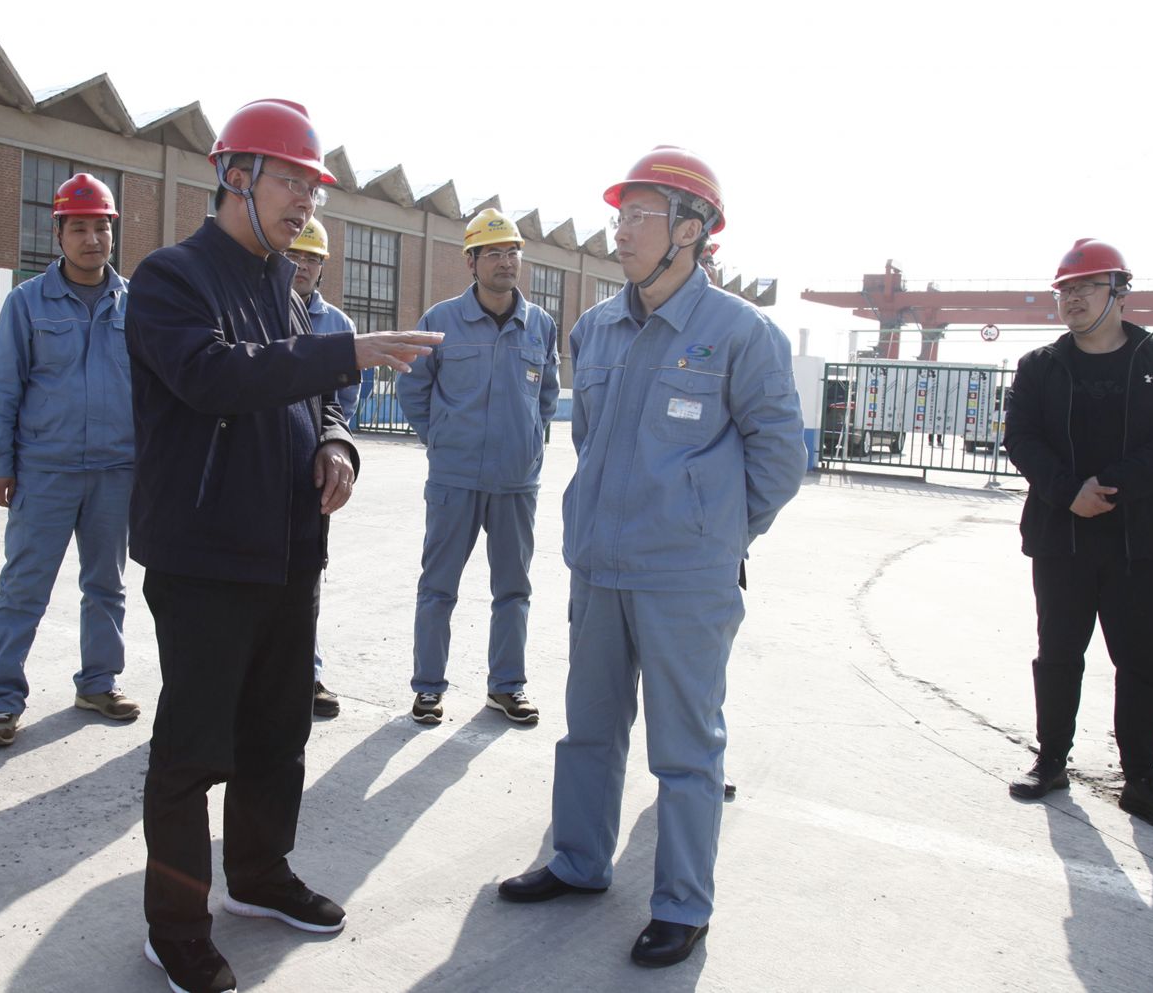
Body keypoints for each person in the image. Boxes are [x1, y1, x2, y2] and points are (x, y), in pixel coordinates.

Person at [127, 98, 440, 993]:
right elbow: (214, 377)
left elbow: (312, 397)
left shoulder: (281, 288)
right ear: (237, 175)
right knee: (193, 750)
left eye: (314, 188)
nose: (307, 202)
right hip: (205, 557)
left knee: (277, 732)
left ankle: (259, 875)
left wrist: (337, 442)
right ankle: (175, 926)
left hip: (289, 550)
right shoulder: (171, 278)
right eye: (292, 182)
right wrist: (348, 352)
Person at [498, 146, 806, 969]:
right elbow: (594, 442)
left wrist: (715, 535)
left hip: (685, 580)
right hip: (600, 568)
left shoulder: (741, 333)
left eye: (640, 215)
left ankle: (681, 905)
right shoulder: (595, 328)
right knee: (589, 730)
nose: (621, 230)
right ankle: (578, 860)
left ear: (691, 229)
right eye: (620, 213)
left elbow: (780, 458)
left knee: (685, 748)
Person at [1003, 238, 1153, 832]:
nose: (1073, 298)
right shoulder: (1040, 366)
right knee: (1058, 653)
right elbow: (1021, 437)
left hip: (1142, 538)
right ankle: (1051, 761)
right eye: (1065, 289)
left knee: (1143, 663)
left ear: (1120, 292)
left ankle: (1141, 782)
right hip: (1062, 534)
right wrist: (1069, 492)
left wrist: (1111, 487)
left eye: (1087, 286)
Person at [0, 172, 140, 746]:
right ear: (58, 233)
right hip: (45, 470)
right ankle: (3, 701)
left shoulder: (136, 304)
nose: (92, 239)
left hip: (115, 470)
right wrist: (0, 462)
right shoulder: (26, 303)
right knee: (23, 587)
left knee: (107, 586)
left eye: (102, 228)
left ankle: (98, 683)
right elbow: (4, 388)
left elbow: (152, 390)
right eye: (79, 228)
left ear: (113, 232)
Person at [395, 208, 560, 726]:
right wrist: (443, 442)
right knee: (438, 587)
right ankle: (428, 688)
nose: (506, 261)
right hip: (455, 480)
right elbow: (413, 389)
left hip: (516, 482)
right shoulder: (440, 322)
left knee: (513, 590)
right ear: (471, 261)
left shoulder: (540, 325)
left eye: (512, 252)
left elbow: (546, 398)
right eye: (493, 253)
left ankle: (506, 687)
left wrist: (528, 445)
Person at [286, 216, 360, 718]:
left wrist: (332, 443)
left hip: (315, 469)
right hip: (264, 464)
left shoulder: (338, 325)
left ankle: (306, 676)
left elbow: (345, 400)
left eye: (312, 258)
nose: (303, 265)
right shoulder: (259, 308)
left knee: (308, 574)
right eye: (295, 255)